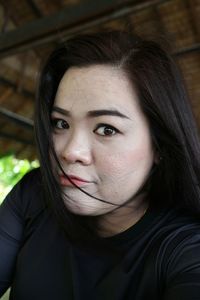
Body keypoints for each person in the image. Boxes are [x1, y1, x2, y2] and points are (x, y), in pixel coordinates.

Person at [1, 30, 200, 300]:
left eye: (106, 129)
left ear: (160, 146)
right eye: (61, 123)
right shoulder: (35, 195)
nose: (70, 151)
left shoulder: (184, 249)